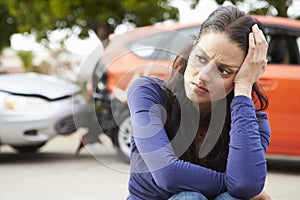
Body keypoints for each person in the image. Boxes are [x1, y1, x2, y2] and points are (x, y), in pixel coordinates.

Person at [126, 5, 271, 200]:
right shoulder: (149, 93)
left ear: (241, 76)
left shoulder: (253, 124)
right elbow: (167, 174)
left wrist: (244, 88)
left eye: (223, 70)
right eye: (201, 58)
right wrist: (232, 183)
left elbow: (245, 185)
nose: (203, 76)